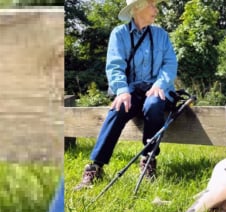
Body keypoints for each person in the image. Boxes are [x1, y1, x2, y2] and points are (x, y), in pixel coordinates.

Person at [74, 0, 177, 190]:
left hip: (157, 90)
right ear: (137, 8)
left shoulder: (161, 35)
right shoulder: (119, 34)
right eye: (152, 5)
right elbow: (114, 66)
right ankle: (95, 167)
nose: (156, 10)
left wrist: (159, 84)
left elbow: (170, 64)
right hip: (131, 91)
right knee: (118, 107)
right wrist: (121, 90)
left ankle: (148, 161)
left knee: (154, 104)